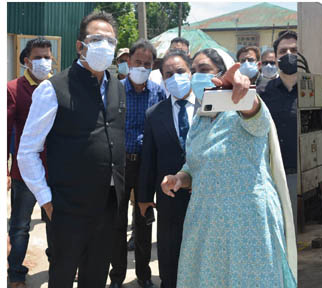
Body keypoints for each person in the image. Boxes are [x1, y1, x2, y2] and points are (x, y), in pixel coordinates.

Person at [159, 51, 297, 286]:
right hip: (207, 226)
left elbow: (259, 121)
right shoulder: (201, 118)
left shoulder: (242, 108)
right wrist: (181, 178)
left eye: (204, 69)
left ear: (222, 75)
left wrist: (244, 94)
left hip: (246, 225)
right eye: (195, 71)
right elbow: (196, 164)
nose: (196, 76)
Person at [17, 11, 126, 287]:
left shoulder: (117, 88)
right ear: (81, 46)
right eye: (97, 39)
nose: (105, 46)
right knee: (63, 276)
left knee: (96, 276)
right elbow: (27, 151)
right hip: (67, 208)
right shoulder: (53, 89)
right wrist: (46, 200)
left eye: (110, 41)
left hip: (108, 204)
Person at [136, 49, 203, 288]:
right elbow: (149, 159)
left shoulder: (211, 109)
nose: (175, 77)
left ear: (191, 72)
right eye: (168, 74)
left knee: (202, 251)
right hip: (169, 197)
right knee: (169, 252)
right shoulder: (155, 114)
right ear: (163, 79)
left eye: (180, 71)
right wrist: (144, 197)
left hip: (205, 195)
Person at [108, 39, 165, 288]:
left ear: (153, 66)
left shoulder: (158, 92)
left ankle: (143, 274)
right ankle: (117, 276)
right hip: (119, 165)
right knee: (117, 222)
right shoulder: (113, 90)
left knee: (143, 221)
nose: (141, 67)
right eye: (137, 62)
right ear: (128, 62)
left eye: (147, 64)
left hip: (146, 165)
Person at [7, 36, 53, 288]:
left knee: (55, 221)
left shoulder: (55, 87)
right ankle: (15, 271)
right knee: (21, 225)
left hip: (52, 169)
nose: (44, 61)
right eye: (38, 57)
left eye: (47, 56)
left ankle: (57, 260)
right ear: (26, 61)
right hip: (23, 172)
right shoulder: (13, 89)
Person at [258, 30, 299, 226]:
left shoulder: (313, 90)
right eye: (283, 51)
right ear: (275, 57)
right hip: (272, 173)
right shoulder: (262, 93)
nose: (289, 55)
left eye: (295, 50)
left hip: (302, 174)